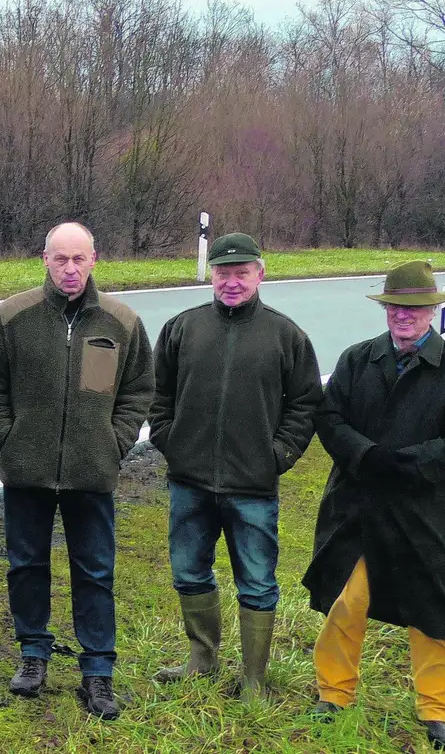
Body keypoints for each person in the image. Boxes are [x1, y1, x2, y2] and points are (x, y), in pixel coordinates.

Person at [0, 222, 153, 719]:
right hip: (26, 469)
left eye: (79, 259)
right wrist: (6, 439)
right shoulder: (13, 317)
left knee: (94, 571)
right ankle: (33, 654)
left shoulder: (119, 322)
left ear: (95, 259)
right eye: (60, 259)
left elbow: (138, 391)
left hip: (91, 472)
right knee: (26, 565)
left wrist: (114, 443)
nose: (70, 269)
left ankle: (97, 670)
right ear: (44, 259)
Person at [302, 261, 445, 751]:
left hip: (426, 513)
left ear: (432, 312)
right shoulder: (358, 360)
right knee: (347, 600)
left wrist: (402, 465)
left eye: (415, 308)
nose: (404, 315)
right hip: (358, 507)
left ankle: (437, 710)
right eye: (396, 306)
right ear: (386, 310)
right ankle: (333, 694)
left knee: (434, 613)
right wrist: (367, 457)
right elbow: (330, 417)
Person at [148, 232, 323, 701]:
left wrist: (278, 456)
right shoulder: (182, 328)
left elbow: (306, 404)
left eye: (241, 273)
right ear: (212, 275)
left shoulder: (286, 335)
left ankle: (254, 679)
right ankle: (201, 661)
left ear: (260, 275)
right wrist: (171, 441)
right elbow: (157, 393)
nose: (231, 282)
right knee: (188, 572)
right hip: (190, 482)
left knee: (258, 582)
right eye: (223, 273)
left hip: (253, 487)